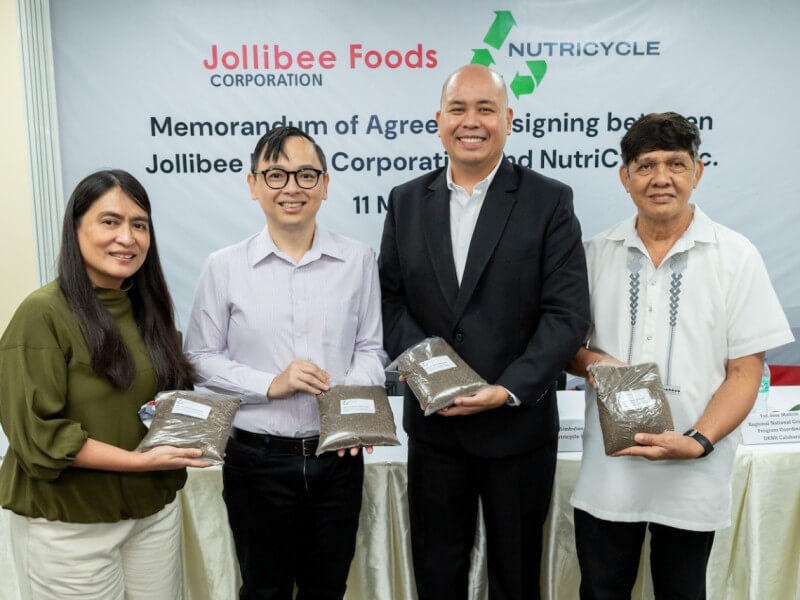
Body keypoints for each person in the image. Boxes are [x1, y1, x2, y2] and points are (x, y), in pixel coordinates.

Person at [378, 64, 591, 600]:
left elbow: (566, 315)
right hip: (435, 430)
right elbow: (389, 300)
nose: (470, 121)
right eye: (458, 109)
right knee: (437, 574)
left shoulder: (549, 200)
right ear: (439, 120)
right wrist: (435, 376)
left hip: (517, 430)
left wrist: (507, 388)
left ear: (508, 120)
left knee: (516, 579)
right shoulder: (405, 200)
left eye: (485, 109)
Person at [568, 112, 794, 599]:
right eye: (646, 166)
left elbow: (745, 371)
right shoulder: (593, 253)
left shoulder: (735, 255)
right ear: (625, 176)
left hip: (694, 467)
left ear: (698, 172)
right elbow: (568, 348)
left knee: (683, 590)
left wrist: (697, 440)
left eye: (676, 163)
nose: (662, 178)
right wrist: (595, 363)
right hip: (612, 469)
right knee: (601, 589)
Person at [184, 126, 387, 600]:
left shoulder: (358, 260)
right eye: (275, 175)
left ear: (325, 183)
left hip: (335, 459)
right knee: (263, 590)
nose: (291, 187)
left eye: (305, 174)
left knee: (328, 588)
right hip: (256, 460)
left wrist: (345, 406)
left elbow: (373, 350)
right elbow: (198, 358)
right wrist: (269, 383)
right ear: (253, 185)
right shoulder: (224, 266)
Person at [0, 169, 210, 600]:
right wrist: (140, 462)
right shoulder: (41, 315)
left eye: (139, 224)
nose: (127, 238)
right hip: (70, 528)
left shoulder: (150, 312)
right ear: (76, 228)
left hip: (152, 515)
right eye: (110, 221)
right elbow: (40, 436)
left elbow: (166, 401)